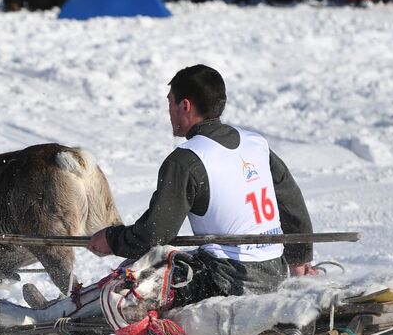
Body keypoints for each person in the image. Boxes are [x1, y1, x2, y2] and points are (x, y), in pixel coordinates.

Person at [88, 64, 317, 302]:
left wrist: (112, 240)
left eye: (170, 103)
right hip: (274, 271)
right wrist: (299, 258)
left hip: (227, 280)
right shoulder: (256, 143)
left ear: (185, 105)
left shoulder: (187, 159)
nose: (169, 112)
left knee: (126, 286)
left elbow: (155, 234)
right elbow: (291, 202)